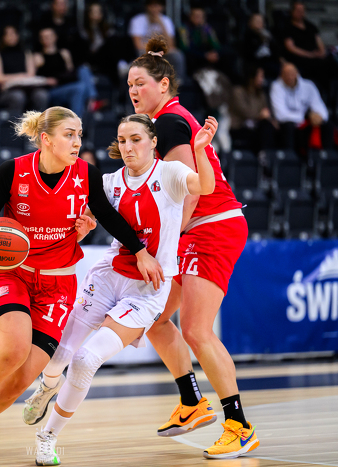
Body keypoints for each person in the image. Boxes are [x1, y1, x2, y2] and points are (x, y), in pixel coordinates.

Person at [0, 106, 164, 467]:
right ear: (46, 139)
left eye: (79, 134)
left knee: (20, 381)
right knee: (13, 351)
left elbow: (109, 217)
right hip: (15, 273)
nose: (77, 142)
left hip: (58, 284)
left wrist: (140, 251)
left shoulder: (86, 174)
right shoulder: (13, 171)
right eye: (69, 134)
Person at [28, 113, 217, 465]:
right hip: (108, 276)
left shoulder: (170, 173)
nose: (128, 147)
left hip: (147, 289)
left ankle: (47, 436)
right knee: (60, 353)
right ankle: (47, 386)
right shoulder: (109, 181)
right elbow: (83, 216)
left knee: (85, 360)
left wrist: (201, 150)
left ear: (153, 142)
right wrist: (83, 225)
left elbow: (205, 187)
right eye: (123, 140)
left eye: (136, 139)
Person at [130, 36, 256, 459]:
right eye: (129, 85)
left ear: (163, 84)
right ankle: (192, 401)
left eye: (141, 83)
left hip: (211, 226)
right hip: (196, 230)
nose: (133, 91)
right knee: (154, 319)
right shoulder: (163, 120)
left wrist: (166, 243)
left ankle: (239, 427)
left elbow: (191, 191)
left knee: (197, 330)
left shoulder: (168, 122)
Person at [270, 62, 333, 156]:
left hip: (304, 124)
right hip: (287, 124)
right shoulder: (276, 86)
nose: (289, 77)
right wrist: (304, 117)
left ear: (297, 73)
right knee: (288, 126)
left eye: (291, 74)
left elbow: (320, 107)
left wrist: (319, 116)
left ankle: (326, 157)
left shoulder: (308, 86)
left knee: (327, 125)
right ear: (281, 75)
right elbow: (280, 115)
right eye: (286, 74)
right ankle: (290, 158)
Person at [35, 28, 98, 116]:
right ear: (40, 40)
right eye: (44, 37)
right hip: (52, 90)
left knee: (84, 70)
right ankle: (82, 114)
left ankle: (91, 100)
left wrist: (60, 78)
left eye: (49, 36)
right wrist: (46, 80)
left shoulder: (64, 53)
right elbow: (34, 77)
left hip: (65, 84)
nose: (47, 39)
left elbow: (70, 73)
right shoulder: (38, 57)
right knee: (79, 88)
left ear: (55, 37)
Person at [0, 25, 49, 114]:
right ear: (3, 37)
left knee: (41, 95)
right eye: (8, 34)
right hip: (7, 91)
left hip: (27, 88)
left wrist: (18, 78)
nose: (12, 37)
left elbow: (31, 74)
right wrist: (20, 76)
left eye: (14, 34)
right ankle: (15, 122)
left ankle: (39, 122)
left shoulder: (26, 53)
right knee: (18, 96)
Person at [282, 0, 335, 91]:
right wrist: (310, 55)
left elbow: (319, 43)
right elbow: (290, 47)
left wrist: (321, 53)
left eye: (302, 10)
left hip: (315, 56)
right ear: (292, 11)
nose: (301, 13)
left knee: (331, 63)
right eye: (298, 10)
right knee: (318, 66)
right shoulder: (287, 27)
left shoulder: (311, 26)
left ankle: (332, 92)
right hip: (299, 58)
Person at [129, 0, 186, 82]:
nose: (154, 9)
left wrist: (161, 24)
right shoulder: (137, 20)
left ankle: (177, 82)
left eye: (157, 5)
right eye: (151, 5)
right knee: (144, 55)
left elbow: (171, 45)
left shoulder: (166, 21)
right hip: (145, 51)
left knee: (176, 55)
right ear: (147, 7)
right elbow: (138, 45)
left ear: (162, 7)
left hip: (163, 52)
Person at [177, 7, 235, 80]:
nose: (198, 19)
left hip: (206, 54)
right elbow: (185, 49)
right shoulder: (184, 29)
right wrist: (205, 55)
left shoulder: (206, 28)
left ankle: (230, 81)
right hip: (194, 55)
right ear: (190, 17)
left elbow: (216, 45)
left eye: (201, 16)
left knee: (228, 53)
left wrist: (214, 53)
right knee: (188, 57)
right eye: (196, 16)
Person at [229, 65, 278, 152]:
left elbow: (266, 111)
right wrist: (260, 115)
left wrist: (269, 118)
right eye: (260, 76)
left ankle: (268, 155)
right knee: (264, 129)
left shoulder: (261, 94)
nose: (262, 79)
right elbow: (245, 112)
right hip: (240, 127)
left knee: (268, 126)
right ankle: (264, 154)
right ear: (251, 77)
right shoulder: (238, 92)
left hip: (256, 127)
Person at [243, 13, 280, 80]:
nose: (259, 23)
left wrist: (270, 39)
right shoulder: (248, 36)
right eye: (257, 21)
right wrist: (260, 40)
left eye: (261, 21)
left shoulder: (268, 34)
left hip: (270, 61)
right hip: (256, 62)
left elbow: (276, 50)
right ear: (250, 23)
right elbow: (249, 54)